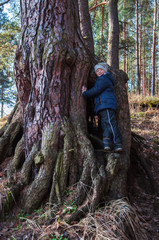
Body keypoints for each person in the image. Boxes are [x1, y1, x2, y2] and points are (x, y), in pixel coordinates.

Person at [82, 62, 122, 152]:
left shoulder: (104, 78)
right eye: (97, 71)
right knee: (106, 126)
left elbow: (96, 90)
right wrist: (96, 112)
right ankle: (107, 145)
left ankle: (118, 144)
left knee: (111, 124)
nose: (99, 72)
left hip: (107, 105)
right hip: (103, 106)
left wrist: (85, 93)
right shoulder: (101, 79)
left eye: (101, 69)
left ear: (105, 70)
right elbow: (97, 98)